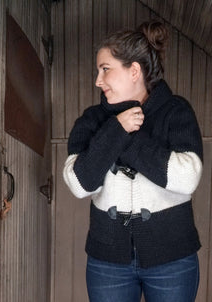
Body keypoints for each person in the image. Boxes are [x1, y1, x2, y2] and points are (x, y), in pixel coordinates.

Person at [63, 20, 203, 302]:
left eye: (105, 69)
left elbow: (187, 179)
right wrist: (115, 129)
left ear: (134, 70)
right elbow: (79, 184)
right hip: (108, 262)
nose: (97, 81)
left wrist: (127, 137)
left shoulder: (176, 111)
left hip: (172, 258)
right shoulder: (91, 120)